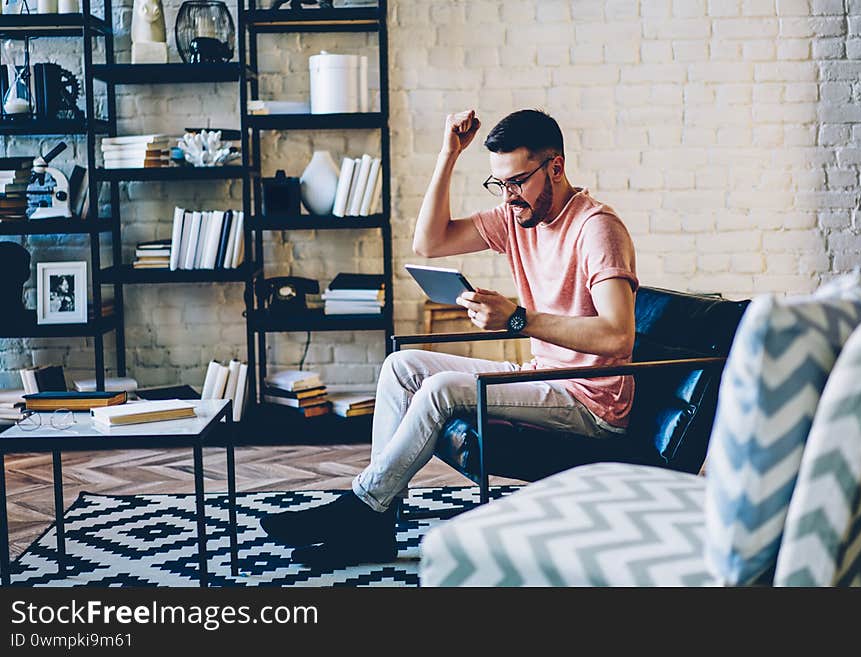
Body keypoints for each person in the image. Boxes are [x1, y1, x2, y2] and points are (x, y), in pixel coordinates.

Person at [261, 109, 639, 566]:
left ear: (555, 167)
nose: (509, 196)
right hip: (544, 377)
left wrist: (519, 320)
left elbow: (618, 335)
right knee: (402, 368)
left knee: (441, 389)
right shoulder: (517, 217)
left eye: (517, 181)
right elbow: (430, 241)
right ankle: (377, 523)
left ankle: (360, 508)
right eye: (500, 184)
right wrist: (449, 152)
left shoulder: (596, 228)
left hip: (588, 402)